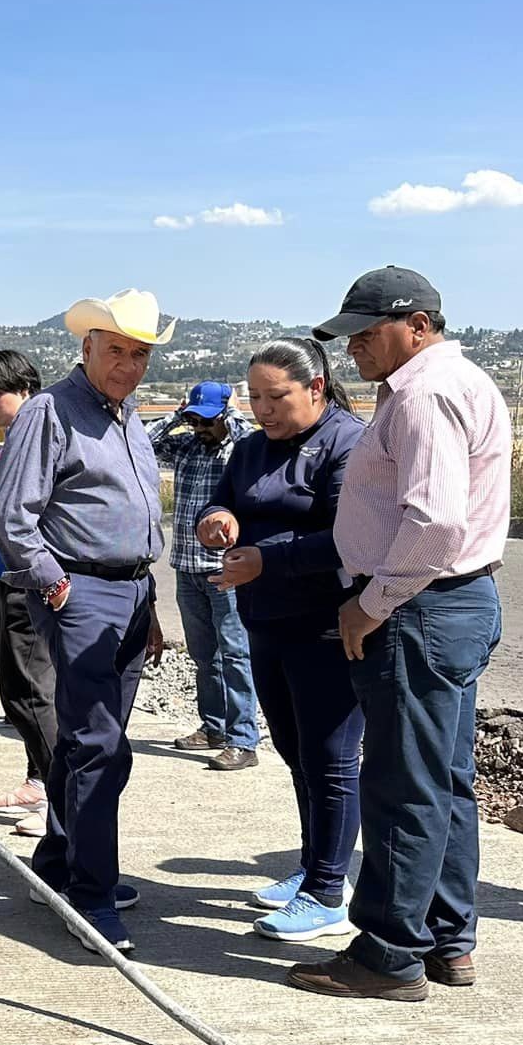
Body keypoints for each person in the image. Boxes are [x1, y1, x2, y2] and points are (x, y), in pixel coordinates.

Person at [287, 268, 509, 1001]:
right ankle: (448, 939)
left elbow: (436, 521)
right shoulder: (454, 382)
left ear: (417, 324)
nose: (354, 347)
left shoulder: (423, 393)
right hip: (450, 603)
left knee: (400, 784)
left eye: (367, 332)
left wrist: (371, 602)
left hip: (417, 607)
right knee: (443, 782)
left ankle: (388, 953)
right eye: (349, 334)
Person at [0, 290, 171, 954]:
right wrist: (56, 585)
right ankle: (93, 898)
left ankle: (61, 864)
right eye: (116, 349)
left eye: (140, 353)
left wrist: (148, 603)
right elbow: (14, 518)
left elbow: (135, 519)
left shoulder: (128, 419)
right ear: (87, 345)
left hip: (129, 591)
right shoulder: (49, 411)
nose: (128, 363)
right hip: (82, 591)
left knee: (86, 742)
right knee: (100, 746)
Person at [196, 339, 367, 941]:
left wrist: (265, 560)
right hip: (266, 619)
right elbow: (227, 500)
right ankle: (312, 868)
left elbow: (349, 537)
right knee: (297, 754)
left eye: (277, 397)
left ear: (316, 388)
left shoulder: (347, 443)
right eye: (256, 397)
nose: (263, 409)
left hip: (326, 621)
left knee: (331, 758)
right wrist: (218, 521)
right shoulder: (249, 450)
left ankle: (327, 892)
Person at [0, 350, 58, 839]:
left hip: (31, 580)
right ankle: (40, 780)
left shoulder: (43, 436)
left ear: (24, 388)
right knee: (17, 688)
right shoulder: (5, 444)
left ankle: (60, 801)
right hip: (5, 576)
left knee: (32, 689)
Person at [148, 382, 261, 771]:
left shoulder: (238, 450)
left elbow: (251, 438)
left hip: (224, 571)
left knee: (236, 655)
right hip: (188, 568)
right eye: (195, 419)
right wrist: (178, 415)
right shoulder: (187, 446)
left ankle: (243, 740)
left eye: (206, 420)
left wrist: (232, 412)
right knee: (204, 656)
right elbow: (144, 442)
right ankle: (212, 726)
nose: (200, 427)